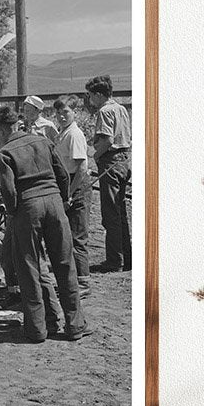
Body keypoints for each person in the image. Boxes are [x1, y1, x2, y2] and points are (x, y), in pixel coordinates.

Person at [0, 106, 88, 343]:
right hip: (54, 203)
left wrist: (13, 212)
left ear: (2, 130)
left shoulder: (5, 151)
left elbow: (8, 189)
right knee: (65, 264)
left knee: (29, 267)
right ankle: (75, 326)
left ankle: (37, 330)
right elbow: (62, 174)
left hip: (28, 208)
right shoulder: (43, 141)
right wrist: (62, 199)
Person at [85, 74, 132, 272]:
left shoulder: (104, 112)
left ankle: (114, 261)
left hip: (110, 162)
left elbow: (107, 140)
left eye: (90, 95)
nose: (89, 100)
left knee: (110, 213)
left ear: (97, 95)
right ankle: (127, 257)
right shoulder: (121, 108)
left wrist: (96, 156)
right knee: (120, 212)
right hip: (125, 160)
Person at [51, 95, 91, 294]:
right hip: (68, 182)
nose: (61, 116)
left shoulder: (74, 134)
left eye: (65, 112)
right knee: (68, 234)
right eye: (58, 113)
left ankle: (83, 282)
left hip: (77, 184)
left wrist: (69, 194)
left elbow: (82, 167)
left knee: (77, 235)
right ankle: (73, 280)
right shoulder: (63, 133)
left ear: (75, 113)